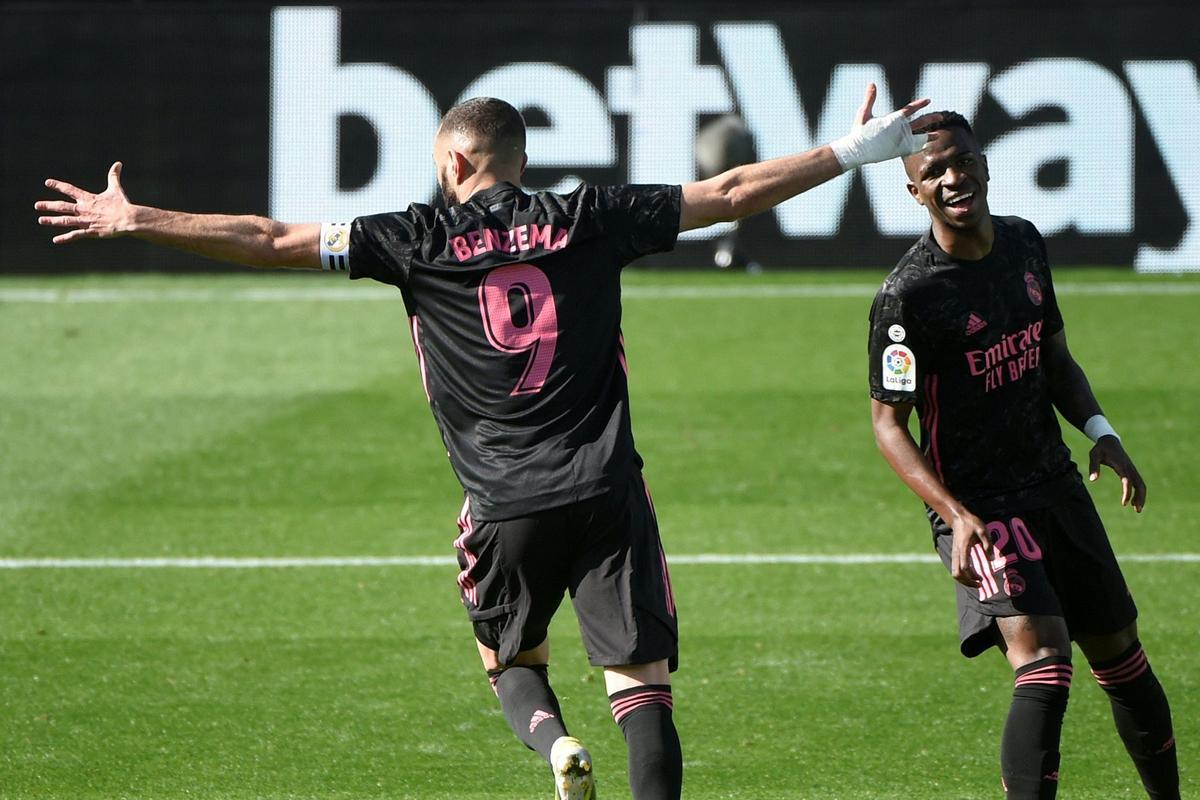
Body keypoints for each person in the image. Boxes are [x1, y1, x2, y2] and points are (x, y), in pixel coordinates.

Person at [38, 88, 935, 800]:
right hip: (606, 490)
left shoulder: (413, 238)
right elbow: (732, 192)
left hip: (502, 504)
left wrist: (138, 218)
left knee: (507, 658)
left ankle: (554, 743)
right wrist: (857, 151)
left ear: (457, 161)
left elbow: (271, 238)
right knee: (644, 686)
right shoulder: (593, 215)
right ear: (521, 162)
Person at [868, 112, 1178, 799]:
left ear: (983, 162)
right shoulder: (907, 296)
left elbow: (1056, 358)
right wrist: (952, 513)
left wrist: (1101, 430)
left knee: (1123, 658)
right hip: (979, 506)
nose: (954, 179)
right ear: (914, 193)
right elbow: (889, 426)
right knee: (1043, 662)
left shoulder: (1025, 244)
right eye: (933, 173)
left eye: (961, 161)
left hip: (1055, 484)